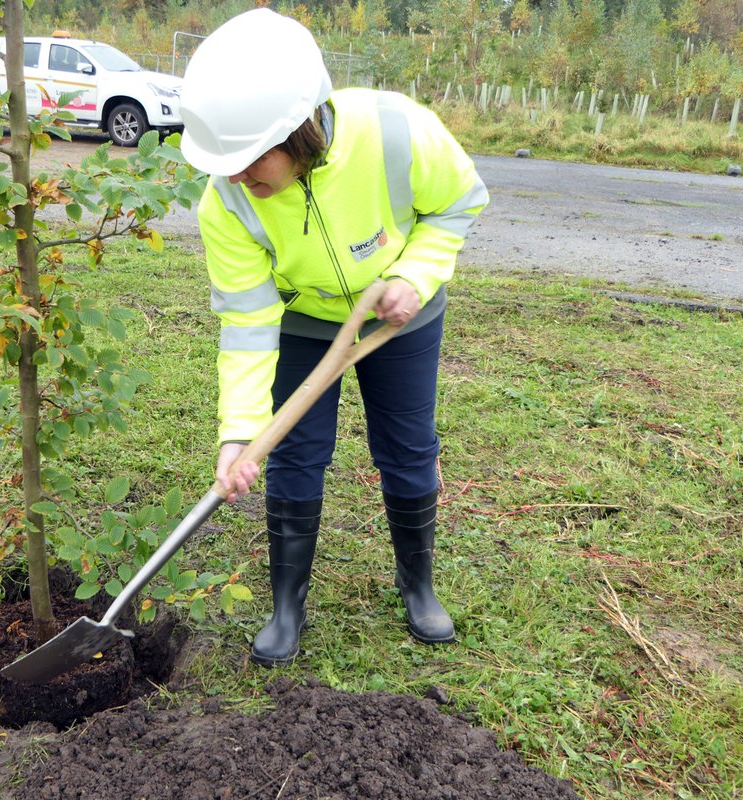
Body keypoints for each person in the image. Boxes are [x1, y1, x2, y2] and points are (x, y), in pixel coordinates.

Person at [178, 9, 488, 667]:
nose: (235, 177)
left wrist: (416, 274)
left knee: (407, 449)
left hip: (400, 316)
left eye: (246, 159)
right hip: (301, 322)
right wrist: (238, 432)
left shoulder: (398, 131)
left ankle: (419, 587)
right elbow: (246, 320)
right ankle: (287, 607)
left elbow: (459, 201)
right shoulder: (227, 202)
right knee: (293, 455)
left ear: (299, 129)